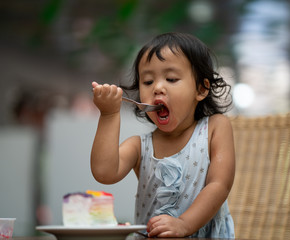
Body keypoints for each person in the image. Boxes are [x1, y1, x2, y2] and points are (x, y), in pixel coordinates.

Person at [90, 32, 235, 238]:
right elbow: (104, 172)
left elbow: (219, 184)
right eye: (148, 82)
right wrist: (108, 115)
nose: (157, 87)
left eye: (171, 78)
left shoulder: (215, 128)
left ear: (201, 89)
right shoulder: (140, 146)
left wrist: (184, 224)